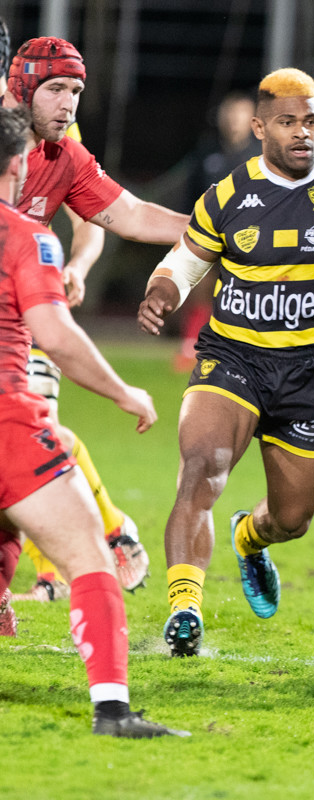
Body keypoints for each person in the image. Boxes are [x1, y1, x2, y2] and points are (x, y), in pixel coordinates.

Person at [137, 67, 314, 657]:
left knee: (292, 520)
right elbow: (182, 264)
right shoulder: (226, 195)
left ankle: (250, 536)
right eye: (288, 122)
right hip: (233, 358)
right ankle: (185, 610)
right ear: (259, 127)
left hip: (307, 375)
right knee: (202, 466)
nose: (302, 132)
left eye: (311, 121)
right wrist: (162, 292)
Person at [0, 106, 186, 737]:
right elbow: (56, 334)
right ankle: (112, 710)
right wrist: (122, 391)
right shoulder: (27, 236)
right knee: (90, 561)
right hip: (8, 420)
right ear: (18, 166)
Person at [2, 36, 192, 601]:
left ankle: (79, 553)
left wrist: (216, 230)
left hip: (22, 325)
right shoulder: (15, 139)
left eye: (76, 91)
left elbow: (129, 215)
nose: (68, 104)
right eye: (57, 89)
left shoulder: (63, 153)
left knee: (30, 434)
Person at [173, 91, 260, 371]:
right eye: (230, 113)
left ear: (253, 120)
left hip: (252, 238)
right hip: (209, 234)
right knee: (200, 286)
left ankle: (250, 349)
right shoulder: (206, 153)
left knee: (248, 293)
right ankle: (191, 345)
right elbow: (190, 196)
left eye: (240, 114)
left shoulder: (262, 156)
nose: (234, 120)